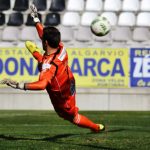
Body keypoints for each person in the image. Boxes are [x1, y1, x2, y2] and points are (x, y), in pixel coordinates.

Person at [0, 4, 105, 133]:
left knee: (72, 117)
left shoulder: (48, 66)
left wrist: (18, 85)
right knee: (43, 62)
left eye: (43, 40)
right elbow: (43, 35)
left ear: (46, 43)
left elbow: (42, 84)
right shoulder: (61, 48)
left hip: (62, 97)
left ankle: (95, 127)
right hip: (68, 80)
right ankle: (37, 55)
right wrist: (36, 19)